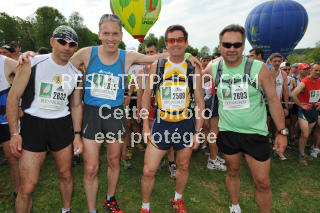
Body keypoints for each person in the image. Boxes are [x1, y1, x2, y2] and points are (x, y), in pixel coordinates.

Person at [69, 14, 169, 213]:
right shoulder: (86, 54)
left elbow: (155, 57)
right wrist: (31, 57)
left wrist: (182, 54)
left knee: (114, 161)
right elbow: (60, 63)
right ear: (99, 34)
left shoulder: (128, 56)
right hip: (92, 114)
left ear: (121, 36)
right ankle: (91, 210)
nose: (111, 38)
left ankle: (110, 199)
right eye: (106, 33)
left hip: (115, 114)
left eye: (115, 34)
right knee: (91, 167)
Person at [202, 24, 287, 213]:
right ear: (220, 45)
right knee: (232, 171)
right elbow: (192, 81)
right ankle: (234, 205)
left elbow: (273, 100)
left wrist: (282, 131)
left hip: (255, 133)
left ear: (243, 46)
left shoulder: (259, 68)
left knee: (263, 182)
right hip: (228, 132)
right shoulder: (214, 67)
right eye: (227, 44)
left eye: (237, 45)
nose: (232, 49)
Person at [6, 25, 83, 213]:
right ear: (52, 42)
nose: (67, 47)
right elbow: (13, 97)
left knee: (66, 175)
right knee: (28, 186)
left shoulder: (77, 74)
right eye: (62, 42)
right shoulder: (32, 62)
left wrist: (77, 134)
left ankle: (66, 210)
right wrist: (14, 133)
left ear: (76, 48)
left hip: (61, 125)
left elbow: (76, 105)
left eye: (71, 44)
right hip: (33, 124)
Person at [139, 24, 204, 213]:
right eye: (171, 40)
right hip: (161, 125)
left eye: (180, 40)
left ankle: (178, 199)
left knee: (183, 166)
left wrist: (198, 132)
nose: (175, 44)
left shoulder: (193, 69)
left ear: (186, 42)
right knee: (148, 170)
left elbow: (200, 102)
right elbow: (146, 96)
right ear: (166, 44)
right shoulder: (157, 66)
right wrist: (145, 126)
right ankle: (145, 207)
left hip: (185, 124)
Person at [291, 62, 320, 166]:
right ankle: (301, 155)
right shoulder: (305, 81)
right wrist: (301, 106)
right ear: (310, 71)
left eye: (319, 71)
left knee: (307, 134)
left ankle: (301, 150)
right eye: (315, 70)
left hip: (313, 111)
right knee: (305, 134)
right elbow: (293, 94)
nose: (317, 72)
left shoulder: (319, 81)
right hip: (304, 111)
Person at [0, 54, 20, 203]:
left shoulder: (5, 62)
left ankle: (18, 192)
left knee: (12, 158)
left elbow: (30, 74)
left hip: (3, 120)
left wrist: (20, 105)